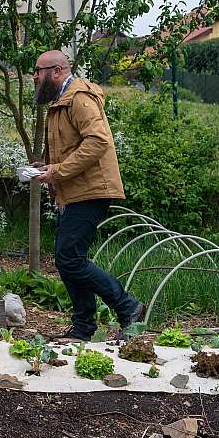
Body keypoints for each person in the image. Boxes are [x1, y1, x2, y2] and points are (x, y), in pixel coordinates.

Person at [32, 49, 145, 342]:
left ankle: (127, 306)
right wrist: (47, 168)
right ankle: (83, 327)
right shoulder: (62, 102)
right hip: (76, 190)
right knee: (68, 258)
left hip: (91, 190)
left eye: (38, 71)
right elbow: (71, 148)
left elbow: (98, 142)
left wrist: (57, 172)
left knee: (69, 258)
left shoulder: (80, 99)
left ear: (57, 71)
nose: (34, 77)